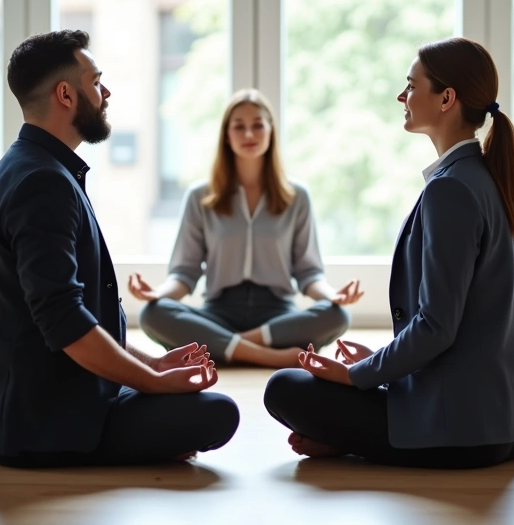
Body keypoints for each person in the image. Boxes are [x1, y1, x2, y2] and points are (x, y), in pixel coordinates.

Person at [262, 37, 514, 468]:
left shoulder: (450, 188)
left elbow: (435, 327)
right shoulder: (487, 177)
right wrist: (378, 365)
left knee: (284, 388)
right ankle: (351, 438)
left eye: (411, 85)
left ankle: (354, 440)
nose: (402, 96)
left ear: (447, 98)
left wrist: (357, 375)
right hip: (510, 426)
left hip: (460, 432)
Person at [0, 30, 240, 467]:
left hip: (29, 412)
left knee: (196, 404)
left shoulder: (27, 167)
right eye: (95, 81)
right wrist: (153, 381)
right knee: (217, 413)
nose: (105, 91)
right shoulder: (43, 182)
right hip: (40, 426)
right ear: (65, 94)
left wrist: (152, 363)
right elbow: (64, 321)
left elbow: (71, 321)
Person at [131, 89, 361, 368]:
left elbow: (308, 273)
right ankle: (267, 356)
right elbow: (185, 273)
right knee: (154, 314)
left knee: (337, 315)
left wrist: (333, 295)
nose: (249, 134)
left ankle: (225, 346)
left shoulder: (297, 196)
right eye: (239, 126)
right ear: (226, 135)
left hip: (278, 317)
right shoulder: (200, 196)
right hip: (218, 311)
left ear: (271, 131)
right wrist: (157, 294)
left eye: (257, 125)